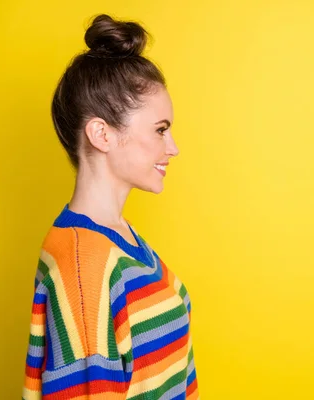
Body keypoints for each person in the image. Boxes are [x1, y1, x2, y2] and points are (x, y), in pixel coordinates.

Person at [21, 13, 199, 400]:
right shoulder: (84, 265)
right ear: (102, 133)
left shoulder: (120, 238)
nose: (173, 147)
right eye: (160, 129)